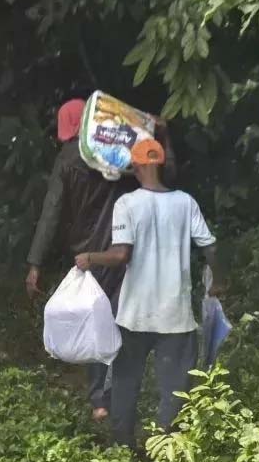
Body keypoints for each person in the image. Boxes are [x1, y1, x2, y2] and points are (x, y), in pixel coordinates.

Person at [26, 99, 176, 422]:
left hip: (89, 256)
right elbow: (163, 179)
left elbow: (51, 214)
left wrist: (35, 262)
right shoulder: (119, 155)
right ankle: (126, 392)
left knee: (98, 319)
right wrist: (162, 137)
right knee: (121, 318)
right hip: (124, 249)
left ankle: (100, 400)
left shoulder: (66, 160)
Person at [75, 139, 223, 451]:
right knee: (175, 389)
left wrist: (90, 257)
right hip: (175, 314)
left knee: (126, 381)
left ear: (138, 166)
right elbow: (209, 246)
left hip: (135, 313)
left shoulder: (127, 204)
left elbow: (120, 255)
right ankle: (164, 447)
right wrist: (219, 281)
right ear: (158, 164)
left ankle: (125, 446)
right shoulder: (185, 201)